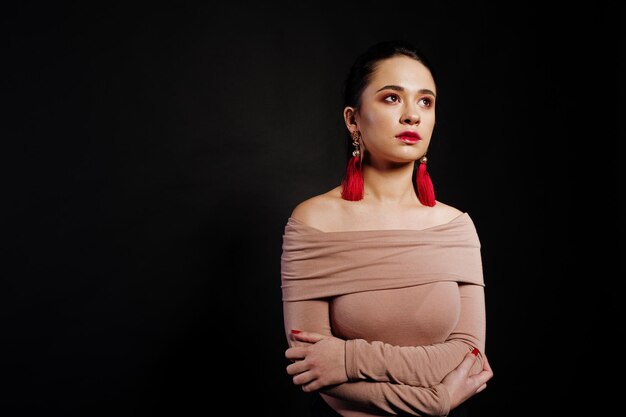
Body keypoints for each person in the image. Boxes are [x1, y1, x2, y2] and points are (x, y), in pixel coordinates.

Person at [280, 40, 493, 417]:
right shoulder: (313, 223)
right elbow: (315, 372)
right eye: (392, 98)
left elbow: (469, 356)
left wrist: (347, 358)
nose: (412, 115)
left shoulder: (456, 227)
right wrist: (438, 399)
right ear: (352, 119)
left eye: (425, 102)